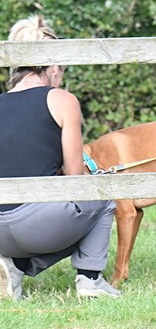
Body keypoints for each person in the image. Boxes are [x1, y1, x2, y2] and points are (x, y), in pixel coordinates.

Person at [0, 16, 122, 300]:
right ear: (53, 67)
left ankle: (15, 265)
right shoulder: (62, 99)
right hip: (34, 225)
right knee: (102, 196)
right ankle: (90, 279)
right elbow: (74, 176)